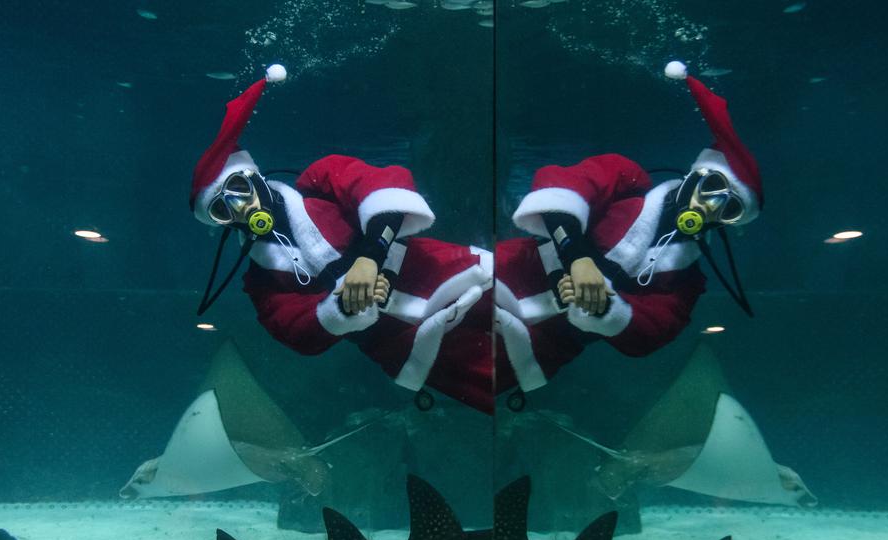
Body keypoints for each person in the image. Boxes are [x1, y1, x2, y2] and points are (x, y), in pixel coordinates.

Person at [189, 65, 494, 413]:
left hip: (440, 270)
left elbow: (384, 187)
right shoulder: (261, 282)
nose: (241, 208)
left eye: (239, 190)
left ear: (254, 176)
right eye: (223, 209)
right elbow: (295, 331)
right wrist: (346, 306)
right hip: (406, 346)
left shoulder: (320, 179)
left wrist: (369, 257)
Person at [495, 61, 764, 400]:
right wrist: (577, 259)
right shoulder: (628, 178)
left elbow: (653, 333)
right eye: (712, 186)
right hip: (508, 273)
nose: (710, 206)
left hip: (540, 350)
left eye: (730, 208)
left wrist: (601, 307)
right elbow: (559, 185)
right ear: (697, 173)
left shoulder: (687, 282)